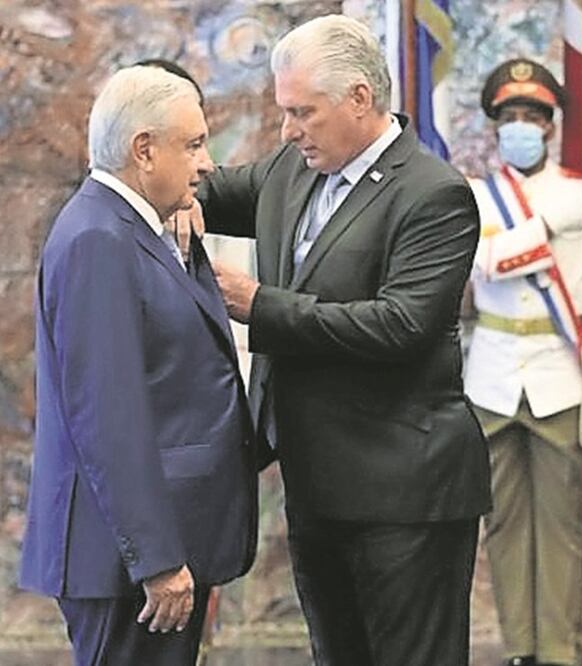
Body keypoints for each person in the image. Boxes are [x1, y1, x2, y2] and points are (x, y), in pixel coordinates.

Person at [186, 14, 491, 666]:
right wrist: (147, 177)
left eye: (303, 112)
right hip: (316, 483)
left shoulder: (432, 194)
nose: (288, 130)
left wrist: (259, 306)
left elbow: (400, 326)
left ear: (359, 98)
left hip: (403, 493)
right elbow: (207, 193)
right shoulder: (291, 169)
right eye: (283, 112)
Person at [19, 65, 257, 666]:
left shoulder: (134, 227)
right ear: (143, 151)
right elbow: (108, 413)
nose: (207, 164)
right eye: (194, 145)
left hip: (153, 549)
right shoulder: (98, 239)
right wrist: (155, 558)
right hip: (127, 564)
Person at [462, 58, 582, 666]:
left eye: (533, 116)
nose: (522, 127)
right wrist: (545, 228)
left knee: (564, 523)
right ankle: (520, 648)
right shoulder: (473, 198)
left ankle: (558, 650)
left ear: (551, 126)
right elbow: (480, 265)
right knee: (503, 522)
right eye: (511, 117)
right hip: (493, 375)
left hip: (563, 373)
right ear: (495, 126)